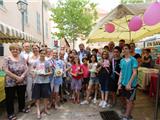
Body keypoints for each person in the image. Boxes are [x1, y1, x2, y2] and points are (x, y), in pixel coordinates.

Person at [3, 44, 29, 120]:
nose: (15, 50)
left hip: (22, 80)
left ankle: (22, 108)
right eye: (13, 49)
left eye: (17, 49)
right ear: (10, 50)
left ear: (19, 50)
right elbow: (5, 70)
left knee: (21, 95)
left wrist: (22, 77)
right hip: (10, 81)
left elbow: (26, 68)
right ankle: (10, 113)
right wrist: (17, 77)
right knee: (10, 98)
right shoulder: (6, 58)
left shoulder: (22, 58)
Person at [118, 44, 138, 120]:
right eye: (123, 49)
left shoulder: (133, 60)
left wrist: (129, 84)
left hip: (131, 84)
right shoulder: (122, 60)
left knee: (129, 100)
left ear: (129, 49)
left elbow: (134, 72)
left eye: (126, 48)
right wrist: (119, 83)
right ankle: (128, 115)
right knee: (127, 99)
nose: (124, 50)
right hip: (124, 83)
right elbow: (121, 72)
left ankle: (127, 116)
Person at [32, 49, 52, 119]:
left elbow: (51, 72)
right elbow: (32, 69)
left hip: (45, 81)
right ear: (39, 53)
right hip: (37, 81)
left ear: (45, 54)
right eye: (41, 53)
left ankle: (45, 109)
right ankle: (38, 110)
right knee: (37, 97)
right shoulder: (35, 62)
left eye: (44, 53)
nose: (43, 54)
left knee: (45, 96)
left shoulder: (47, 62)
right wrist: (34, 72)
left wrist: (46, 74)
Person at [26, 44, 40, 109]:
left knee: (36, 89)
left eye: (36, 48)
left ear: (38, 49)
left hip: (37, 75)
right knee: (28, 89)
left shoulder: (41, 56)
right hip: (29, 74)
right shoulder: (29, 56)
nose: (35, 49)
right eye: (33, 48)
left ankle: (35, 101)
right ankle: (30, 101)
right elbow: (26, 64)